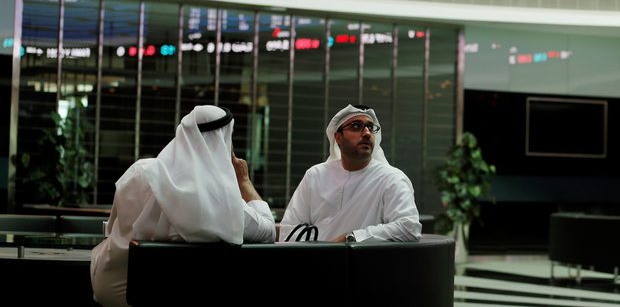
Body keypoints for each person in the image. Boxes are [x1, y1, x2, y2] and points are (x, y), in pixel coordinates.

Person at [90, 105, 275, 307]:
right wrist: (245, 181)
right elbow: (268, 230)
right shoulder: (221, 202)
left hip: (112, 292)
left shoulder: (140, 172)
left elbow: (112, 228)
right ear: (225, 142)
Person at [279, 104, 422, 242]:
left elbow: (409, 227)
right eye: (356, 126)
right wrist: (324, 249)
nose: (366, 133)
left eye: (370, 128)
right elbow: (288, 231)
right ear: (338, 137)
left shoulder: (391, 179)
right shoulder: (315, 175)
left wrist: (352, 238)